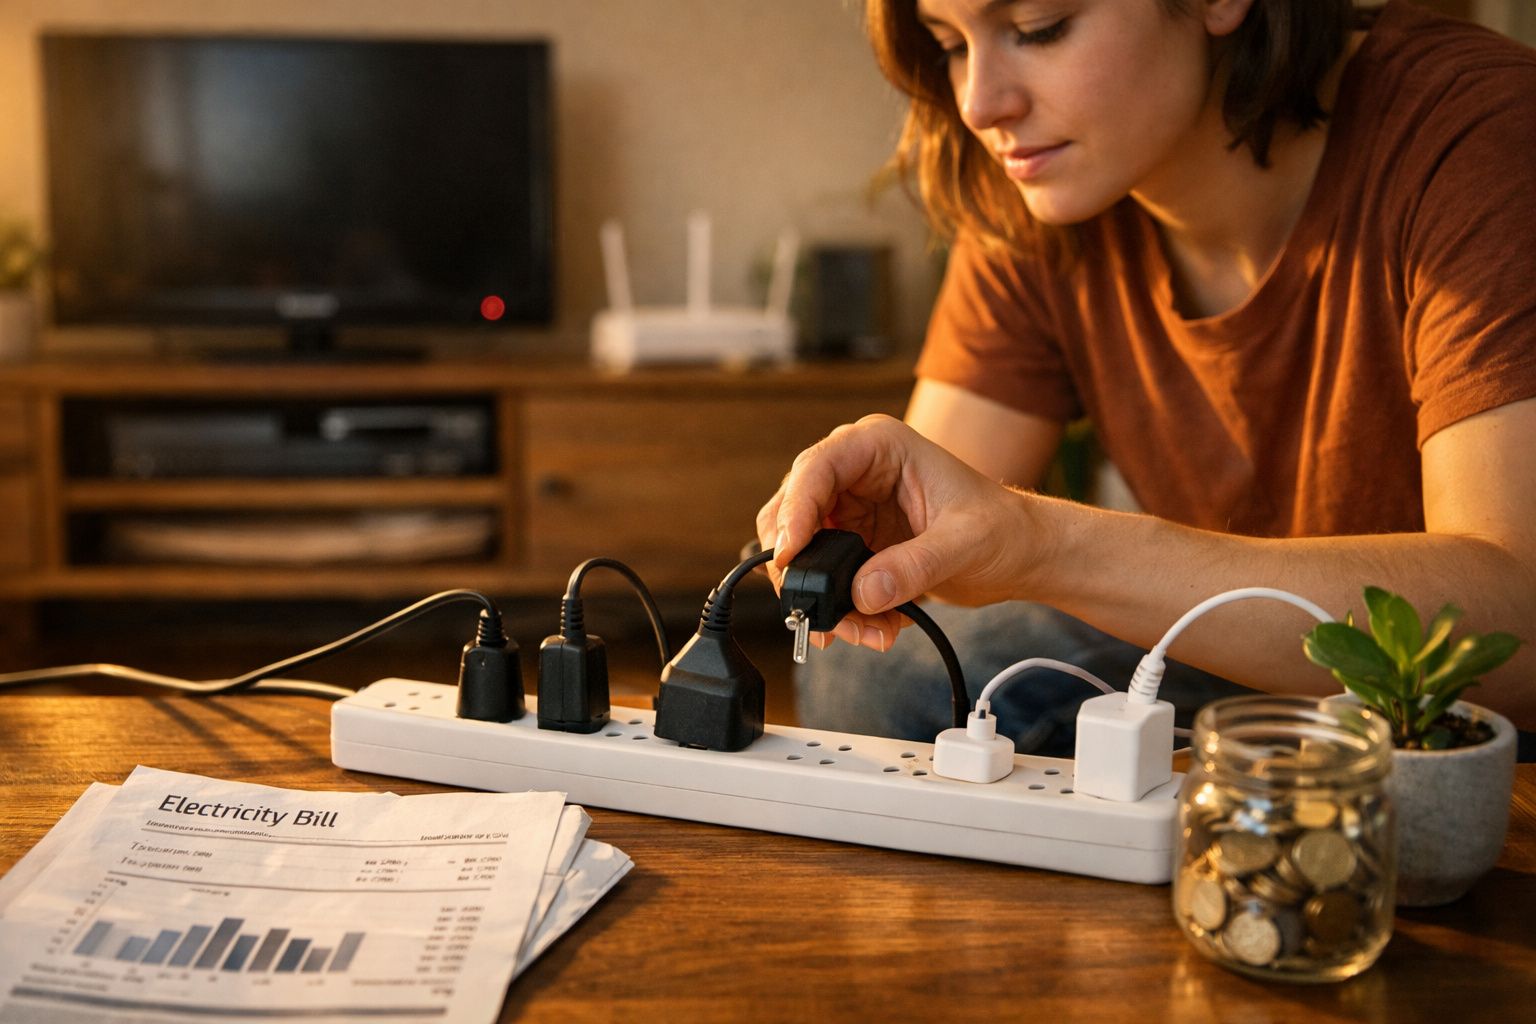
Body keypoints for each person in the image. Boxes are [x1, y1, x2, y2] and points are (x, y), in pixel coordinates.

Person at [756, 0, 1536, 755]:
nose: (980, 105)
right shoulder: (1042, 189)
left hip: (1461, 704)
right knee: (876, 673)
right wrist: (873, 544)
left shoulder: (1479, 131)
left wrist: (1046, 542)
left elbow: (1521, 621)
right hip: (1231, 657)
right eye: (952, 45)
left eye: (1039, 28)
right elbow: (926, 538)